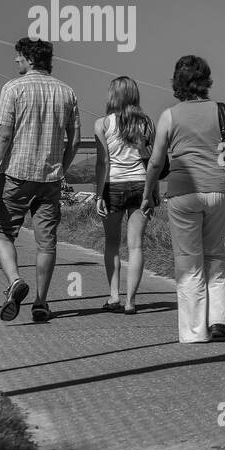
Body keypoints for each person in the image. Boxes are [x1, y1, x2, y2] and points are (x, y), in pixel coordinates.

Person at [141, 55, 225, 343]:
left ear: (177, 82)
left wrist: (149, 193)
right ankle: (218, 320)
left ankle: (194, 331)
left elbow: (155, 162)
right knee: (215, 255)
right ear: (206, 80)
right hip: (219, 191)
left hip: (184, 193)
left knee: (188, 261)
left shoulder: (170, 115)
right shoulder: (222, 111)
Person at [0, 38, 80, 322]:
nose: (16, 61)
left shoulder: (13, 88)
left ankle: (14, 281)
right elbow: (72, 141)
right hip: (50, 179)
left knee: (0, 231)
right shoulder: (67, 92)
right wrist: (62, 167)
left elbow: (2, 135)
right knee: (46, 242)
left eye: (19, 57)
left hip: (15, 175)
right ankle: (40, 302)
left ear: (29, 59)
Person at [94, 77, 155, 315]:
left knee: (111, 243)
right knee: (136, 246)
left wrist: (98, 195)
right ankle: (131, 301)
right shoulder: (147, 123)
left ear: (113, 96)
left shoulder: (102, 124)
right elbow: (151, 161)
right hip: (141, 185)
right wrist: (153, 192)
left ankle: (113, 297)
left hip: (113, 186)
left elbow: (103, 162)